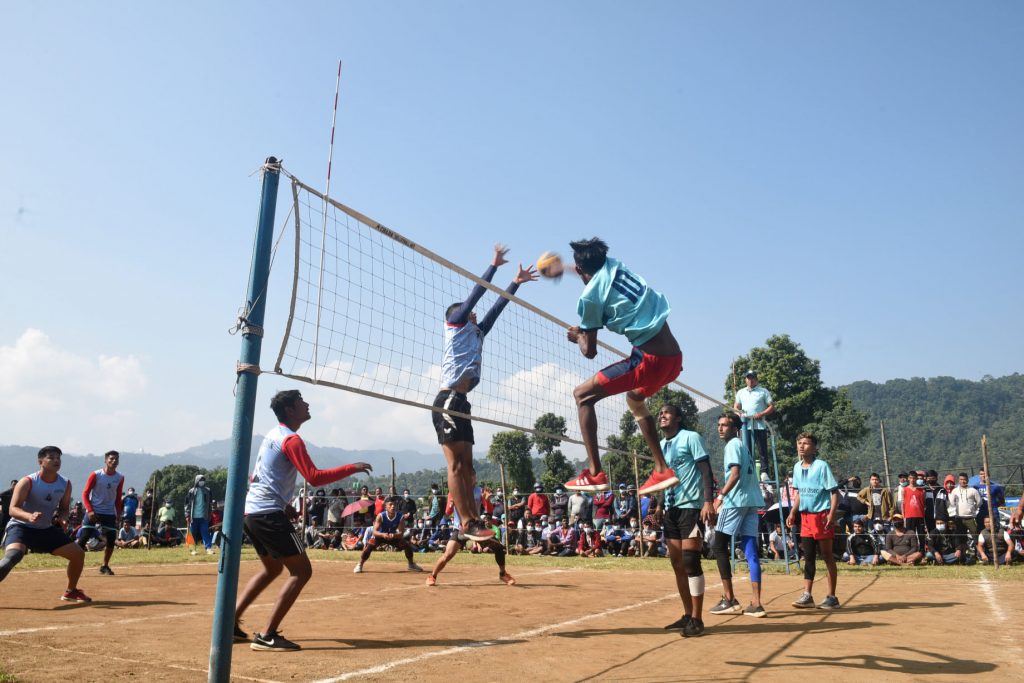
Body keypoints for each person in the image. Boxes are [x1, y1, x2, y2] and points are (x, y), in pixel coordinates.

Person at [234, 390, 372, 652]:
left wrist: (285, 504)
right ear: (290, 410)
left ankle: (231, 622)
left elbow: (261, 477)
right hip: (267, 513)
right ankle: (267, 635)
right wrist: (351, 468)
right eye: (301, 402)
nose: (307, 405)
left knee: (272, 569)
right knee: (302, 571)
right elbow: (314, 477)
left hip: (253, 513)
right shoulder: (292, 440)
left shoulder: (273, 435)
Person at [562, 238, 682, 496]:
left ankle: (595, 473)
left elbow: (589, 351)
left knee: (582, 396)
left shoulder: (590, 298)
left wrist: (579, 336)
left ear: (581, 270)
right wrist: (565, 269)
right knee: (635, 400)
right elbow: (597, 277)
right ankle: (661, 469)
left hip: (650, 361)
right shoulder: (617, 267)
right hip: (674, 358)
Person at [434, 244, 536, 542]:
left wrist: (515, 282)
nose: (474, 314)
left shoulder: (476, 332)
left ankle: (473, 519)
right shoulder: (455, 324)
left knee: (468, 468)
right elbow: (476, 295)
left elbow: (496, 309)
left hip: (462, 401)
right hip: (447, 399)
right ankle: (465, 521)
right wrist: (493, 266)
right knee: (456, 465)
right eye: (468, 312)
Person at [0, 446, 91, 603]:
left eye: (58, 458)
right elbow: (13, 509)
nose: (56, 461)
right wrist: (29, 516)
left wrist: (63, 518)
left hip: (44, 529)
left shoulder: (65, 483)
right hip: (20, 527)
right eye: (51, 457)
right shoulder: (27, 481)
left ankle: (71, 591)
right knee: (13, 557)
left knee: (78, 554)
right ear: (40, 462)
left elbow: (64, 508)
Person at [656, 404, 714, 636]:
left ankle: (697, 620)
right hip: (671, 510)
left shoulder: (691, 437)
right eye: (660, 413)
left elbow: (706, 471)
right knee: (677, 564)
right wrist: (659, 504)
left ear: (678, 418)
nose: (661, 415)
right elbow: (664, 477)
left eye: (666, 412)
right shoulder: (661, 445)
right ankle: (688, 615)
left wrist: (708, 502)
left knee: (691, 562)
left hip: (691, 507)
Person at [709, 413, 767, 619]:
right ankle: (756, 604)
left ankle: (729, 599)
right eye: (719, 424)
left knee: (718, 545)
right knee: (751, 550)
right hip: (752, 500)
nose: (720, 428)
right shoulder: (743, 446)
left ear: (735, 429)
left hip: (736, 501)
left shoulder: (733, 445)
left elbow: (734, 474)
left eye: (725, 425)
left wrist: (720, 497)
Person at [787, 432, 841, 610]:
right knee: (808, 556)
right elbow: (799, 494)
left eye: (806, 443)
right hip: (805, 517)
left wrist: (831, 514)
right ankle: (807, 595)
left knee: (826, 555)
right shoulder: (797, 467)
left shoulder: (821, 466)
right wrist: (792, 512)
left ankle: (832, 597)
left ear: (815, 448)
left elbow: (834, 492)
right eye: (799, 443)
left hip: (821, 516)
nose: (801, 446)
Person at [427, 483, 515, 587]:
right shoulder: (454, 490)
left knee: (498, 547)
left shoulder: (479, 491)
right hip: (460, 529)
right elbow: (448, 512)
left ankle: (503, 574)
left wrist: (487, 500)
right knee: (448, 554)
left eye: (473, 476)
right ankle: (432, 576)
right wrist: (451, 504)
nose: (471, 478)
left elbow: (490, 511)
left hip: (475, 529)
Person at [78, 450, 124, 576]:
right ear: (105, 460)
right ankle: (76, 564)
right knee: (83, 538)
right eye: (111, 459)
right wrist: (90, 510)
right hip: (94, 511)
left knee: (111, 540)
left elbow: (118, 497)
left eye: (116, 459)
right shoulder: (96, 474)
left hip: (109, 513)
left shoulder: (120, 477)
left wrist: (118, 514)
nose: (114, 461)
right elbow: (85, 493)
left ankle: (105, 566)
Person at [353, 497, 424, 574]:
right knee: (369, 546)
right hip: (380, 536)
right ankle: (360, 564)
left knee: (407, 546)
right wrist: (383, 534)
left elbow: (401, 534)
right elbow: (374, 532)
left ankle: (411, 564)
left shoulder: (400, 516)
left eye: (394, 505)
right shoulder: (381, 516)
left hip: (393, 536)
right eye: (390, 504)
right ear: (385, 507)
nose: (393, 506)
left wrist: (393, 535)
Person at [733, 370, 775, 477]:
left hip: (759, 425)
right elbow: (736, 407)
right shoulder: (741, 392)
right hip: (745, 426)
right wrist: (739, 415)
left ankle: (764, 473)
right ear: (745, 379)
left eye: (752, 378)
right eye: (748, 378)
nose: (750, 380)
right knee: (747, 451)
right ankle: (749, 472)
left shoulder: (763, 391)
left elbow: (771, 407)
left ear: (756, 379)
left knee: (762, 450)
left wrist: (761, 414)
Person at [948, 473, 981, 557]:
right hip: (959, 518)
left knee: (975, 536)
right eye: (961, 479)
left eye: (965, 479)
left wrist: (973, 509)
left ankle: (979, 555)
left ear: (968, 480)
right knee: (961, 538)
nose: (963, 481)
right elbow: (951, 503)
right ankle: (963, 556)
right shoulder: (955, 491)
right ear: (959, 480)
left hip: (970, 518)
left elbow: (979, 502)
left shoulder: (973, 490)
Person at [185, 474, 215, 555]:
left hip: (204, 516)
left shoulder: (208, 491)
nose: (202, 482)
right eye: (200, 480)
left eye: (203, 480)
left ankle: (208, 548)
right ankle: (192, 550)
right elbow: (187, 504)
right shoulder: (191, 491)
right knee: (192, 533)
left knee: (205, 532)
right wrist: (187, 515)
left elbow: (210, 503)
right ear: (197, 481)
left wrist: (210, 513)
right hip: (193, 517)